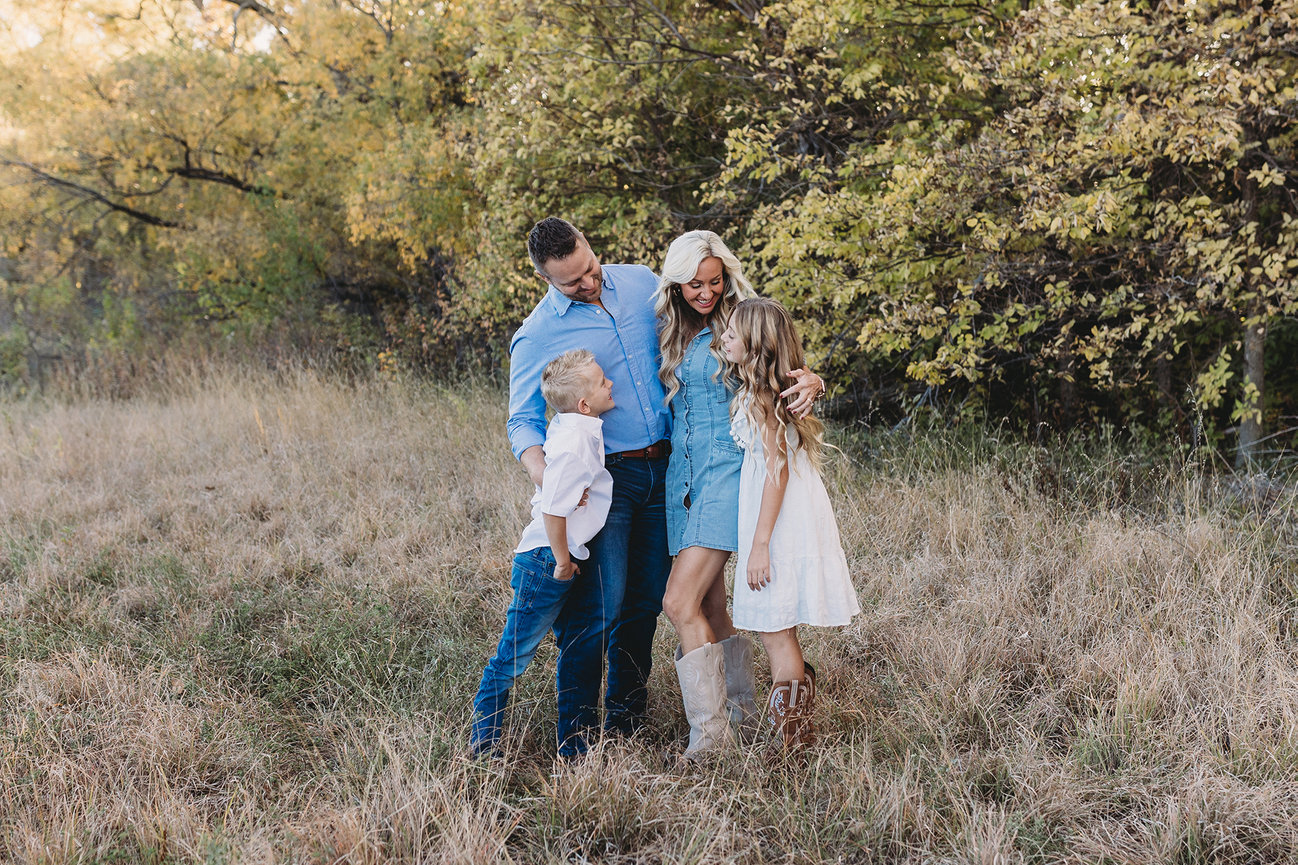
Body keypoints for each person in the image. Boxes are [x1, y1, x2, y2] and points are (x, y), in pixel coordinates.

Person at [507, 217, 824, 759]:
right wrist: (554, 485)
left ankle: (695, 731)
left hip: (697, 472)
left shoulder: (638, 284)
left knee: (669, 603)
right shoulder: (540, 334)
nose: (588, 283)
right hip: (623, 477)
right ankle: (590, 738)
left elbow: (770, 357)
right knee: (615, 608)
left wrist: (811, 378)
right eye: (571, 282)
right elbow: (522, 422)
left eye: (589, 269)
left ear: (590, 245)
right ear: (545, 279)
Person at [653, 231, 825, 759]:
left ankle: (710, 740)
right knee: (709, 604)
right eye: (694, 284)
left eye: (714, 280)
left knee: (677, 602)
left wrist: (812, 380)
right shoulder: (668, 328)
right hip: (681, 482)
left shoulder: (739, 322)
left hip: (726, 479)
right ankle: (746, 718)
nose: (706, 292)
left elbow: (781, 366)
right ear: (676, 284)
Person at [720, 297, 860, 751]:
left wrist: (759, 545)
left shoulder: (763, 400)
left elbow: (776, 473)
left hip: (777, 525)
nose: (723, 338)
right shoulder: (761, 391)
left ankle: (794, 746)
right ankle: (795, 731)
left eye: (731, 334)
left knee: (775, 629)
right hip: (784, 517)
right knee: (776, 628)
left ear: (755, 345)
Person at [470, 350, 616, 757]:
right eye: (603, 382)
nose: (610, 384)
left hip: (559, 556)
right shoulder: (574, 445)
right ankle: (483, 746)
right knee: (512, 656)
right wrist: (565, 562)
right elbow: (553, 510)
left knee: (573, 644)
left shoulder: (577, 424)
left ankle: (576, 746)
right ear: (585, 403)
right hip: (547, 561)